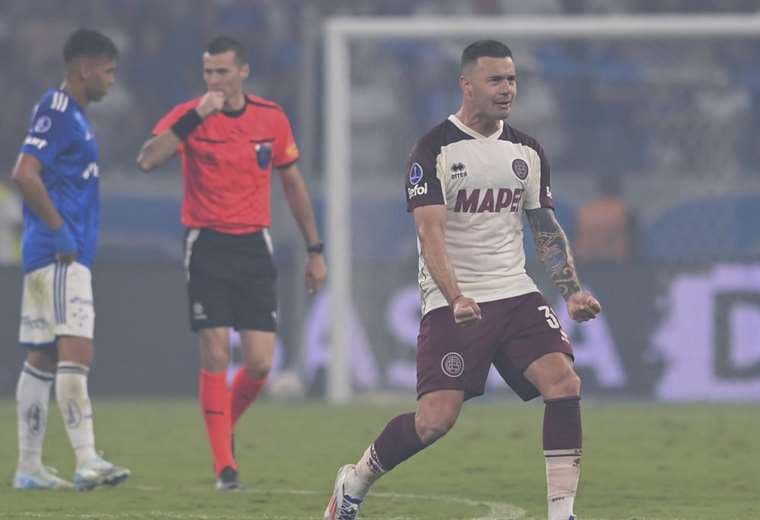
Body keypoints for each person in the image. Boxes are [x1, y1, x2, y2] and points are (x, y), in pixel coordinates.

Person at [324, 40, 602, 520]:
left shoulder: (528, 151)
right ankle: (355, 480)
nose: (507, 89)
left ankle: (563, 513)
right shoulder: (432, 149)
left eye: (512, 79)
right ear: (466, 85)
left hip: (514, 292)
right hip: (456, 301)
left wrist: (572, 290)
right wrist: (455, 297)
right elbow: (430, 234)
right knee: (434, 421)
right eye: (496, 80)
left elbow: (545, 229)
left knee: (564, 383)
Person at [136, 36, 327, 490]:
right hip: (206, 244)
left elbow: (294, 184)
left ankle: (222, 425)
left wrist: (315, 250)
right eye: (208, 72)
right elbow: (147, 159)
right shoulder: (190, 116)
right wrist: (193, 119)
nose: (214, 81)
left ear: (243, 72)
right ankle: (225, 466)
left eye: (222, 72)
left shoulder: (271, 118)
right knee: (217, 351)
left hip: (253, 246)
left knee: (261, 363)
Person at [10, 28, 130, 491]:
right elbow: (24, 172)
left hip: (48, 253)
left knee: (42, 356)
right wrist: (60, 230)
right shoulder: (60, 112)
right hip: (59, 253)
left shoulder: (71, 115)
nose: (112, 80)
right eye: (108, 70)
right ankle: (85, 459)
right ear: (84, 68)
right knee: (76, 347)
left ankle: (29, 467)